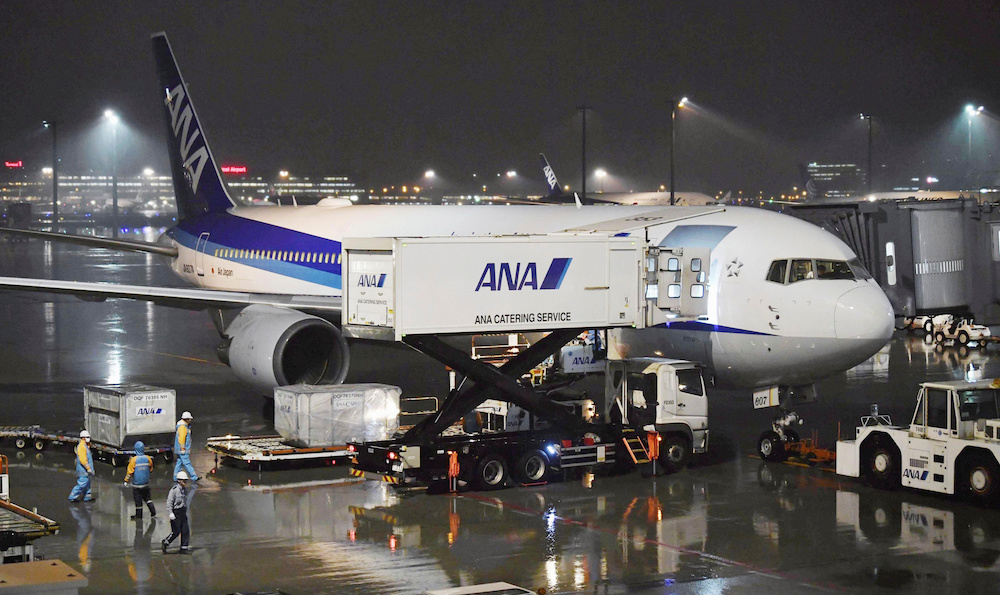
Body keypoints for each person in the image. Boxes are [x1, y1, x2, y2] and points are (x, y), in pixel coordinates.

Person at [123, 441, 156, 521]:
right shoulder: (148, 458)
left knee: (138, 501)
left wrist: (126, 480)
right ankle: (153, 511)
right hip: (146, 484)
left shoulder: (134, 460)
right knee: (148, 499)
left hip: (137, 485)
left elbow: (130, 472)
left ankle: (139, 516)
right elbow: (151, 469)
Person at [161, 470, 191, 554]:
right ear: (178, 480)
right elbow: (169, 502)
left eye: (186, 480)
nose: (185, 482)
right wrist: (170, 512)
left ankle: (184, 548)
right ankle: (166, 542)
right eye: (183, 480)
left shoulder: (184, 490)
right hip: (176, 512)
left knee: (185, 530)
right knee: (176, 531)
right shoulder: (174, 490)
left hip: (182, 511)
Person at [68, 430, 95, 502]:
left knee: (87, 484)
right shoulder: (81, 447)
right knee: (82, 484)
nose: (89, 438)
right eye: (87, 437)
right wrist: (88, 468)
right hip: (83, 470)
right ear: (83, 438)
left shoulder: (85, 446)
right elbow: (83, 459)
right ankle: (72, 497)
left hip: (86, 470)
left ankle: (87, 497)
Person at [173, 411, 199, 481]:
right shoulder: (183, 427)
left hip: (180, 449)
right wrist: (183, 448)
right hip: (182, 450)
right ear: (186, 419)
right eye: (190, 419)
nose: (191, 420)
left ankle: (175, 477)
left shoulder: (183, 426)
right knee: (187, 463)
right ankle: (194, 477)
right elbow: (181, 438)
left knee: (179, 464)